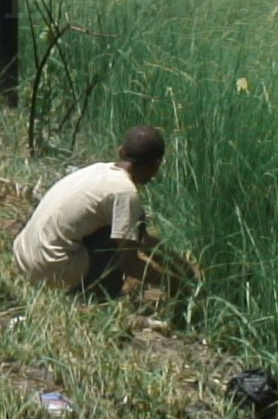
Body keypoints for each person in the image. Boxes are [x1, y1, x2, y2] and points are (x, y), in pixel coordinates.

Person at [12, 125, 165, 297]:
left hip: (23, 259)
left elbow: (140, 239)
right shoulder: (125, 194)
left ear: (121, 151)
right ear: (155, 166)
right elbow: (129, 263)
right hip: (50, 272)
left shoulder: (97, 171)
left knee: (128, 222)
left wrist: (168, 257)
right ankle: (99, 296)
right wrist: (173, 284)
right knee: (119, 239)